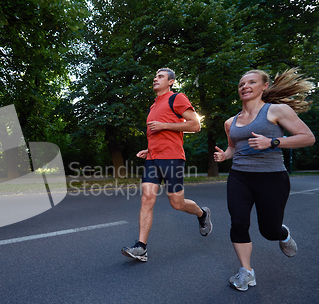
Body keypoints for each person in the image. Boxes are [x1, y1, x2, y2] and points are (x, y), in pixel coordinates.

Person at [213, 68, 316, 291]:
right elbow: (233, 148)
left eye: (251, 82)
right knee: (238, 222)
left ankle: (282, 233)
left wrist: (273, 142)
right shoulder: (231, 122)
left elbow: (308, 138)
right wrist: (224, 156)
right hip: (239, 177)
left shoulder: (277, 110)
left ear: (264, 86)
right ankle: (246, 272)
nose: (245, 86)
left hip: (272, 177)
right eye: (241, 84)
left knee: (269, 231)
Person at [122, 68, 213, 262]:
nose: (155, 78)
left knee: (176, 203)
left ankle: (202, 213)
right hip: (153, 159)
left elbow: (195, 125)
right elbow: (156, 134)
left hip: (172, 158)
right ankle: (141, 247)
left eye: (160, 76)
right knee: (147, 198)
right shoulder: (153, 106)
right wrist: (149, 149)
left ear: (170, 81)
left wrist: (165, 125)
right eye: (155, 76)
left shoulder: (177, 98)